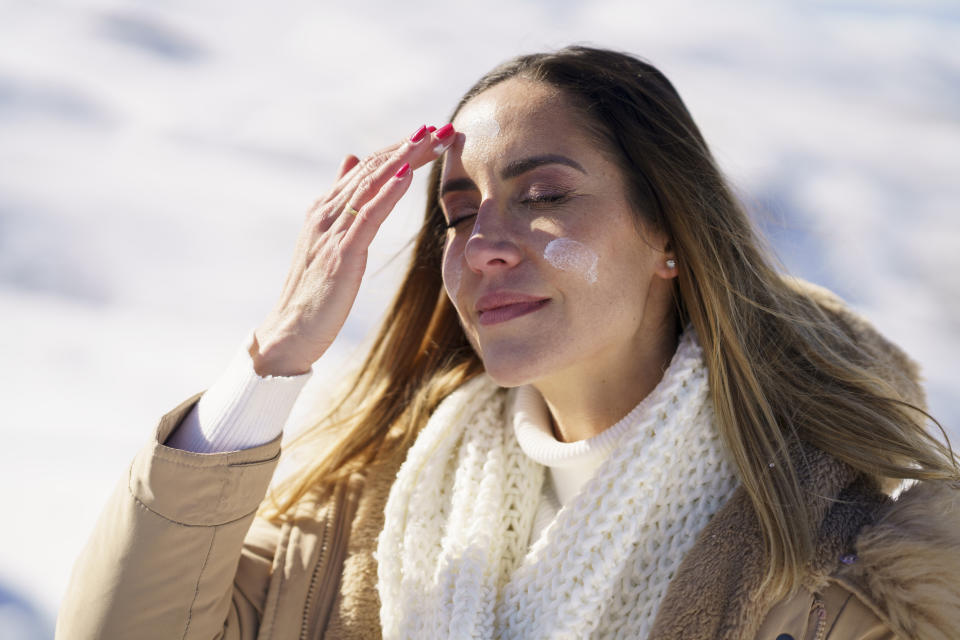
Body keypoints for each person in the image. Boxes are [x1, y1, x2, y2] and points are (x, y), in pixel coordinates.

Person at [58, 46, 960, 640]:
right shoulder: (355, 519)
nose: (484, 242)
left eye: (545, 196)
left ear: (671, 236)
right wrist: (276, 359)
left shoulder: (836, 575)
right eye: (457, 212)